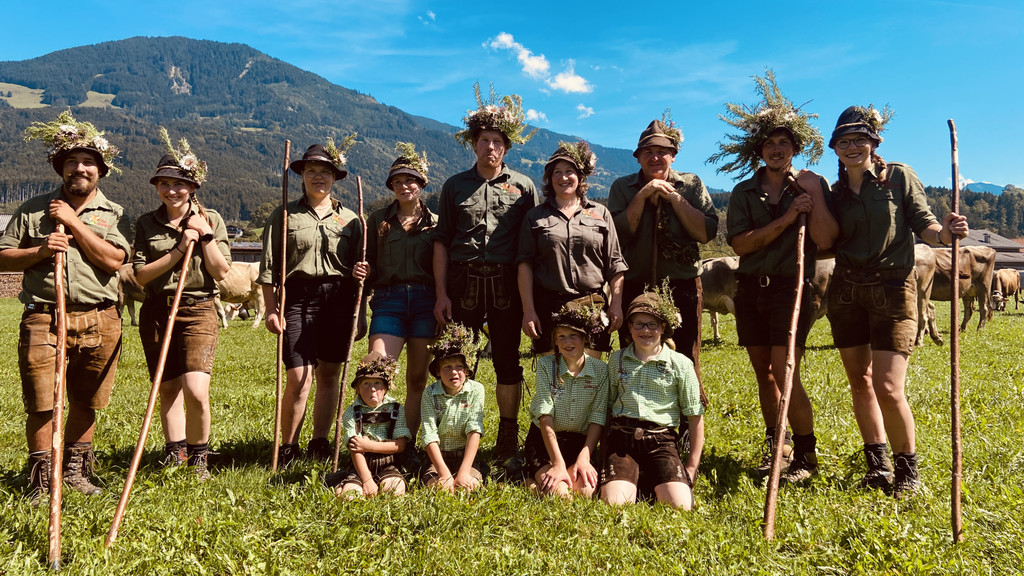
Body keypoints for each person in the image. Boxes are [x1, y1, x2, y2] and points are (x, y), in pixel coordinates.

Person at [825, 105, 968, 497]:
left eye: (859, 139)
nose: (852, 147)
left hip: (892, 288)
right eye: (843, 141)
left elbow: (924, 224)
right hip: (846, 291)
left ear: (874, 142)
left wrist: (946, 234)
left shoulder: (899, 176)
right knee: (860, 381)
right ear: (834, 148)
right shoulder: (835, 193)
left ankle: (908, 472)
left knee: (888, 386)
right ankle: (877, 465)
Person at [712, 71, 838, 483]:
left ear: (795, 148)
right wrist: (786, 219)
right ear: (759, 150)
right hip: (750, 289)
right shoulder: (744, 192)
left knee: (786, 371)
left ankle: (805, 454)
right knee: (763, 373)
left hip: (791, 288)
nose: (777, 149)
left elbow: (826, 239)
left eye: (784, 143)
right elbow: (740, 245)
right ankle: (777, 446)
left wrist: (811, 198)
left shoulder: (810, 185)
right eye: (770, 143)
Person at [1, 110, 130, 498]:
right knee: (42, 401)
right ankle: (41, 479)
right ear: (61, 168)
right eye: (72, 161)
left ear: (101, 170)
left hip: (99, 318)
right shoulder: (32, 210)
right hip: (44, 317)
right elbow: (3, 257)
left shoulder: (115, 214)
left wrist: (73, 223)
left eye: (88, 162)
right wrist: (40, 251)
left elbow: (114, 260)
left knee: (87, 399)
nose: (80, 168)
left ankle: (74, 471)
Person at [432, 84, 539, 465]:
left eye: (497, 141)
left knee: (508, 360)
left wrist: (531, 301)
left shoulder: (524, 187)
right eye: (484, 141)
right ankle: (458, 437)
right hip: (462, 282)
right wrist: (441, 293)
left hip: (506, 282)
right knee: (461, 358)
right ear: (473, 145)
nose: (490, 147)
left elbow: (532, 244)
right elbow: (442, 242)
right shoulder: (454, 186)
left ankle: (507, 437)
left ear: (506, 148)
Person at [258, 137, 368, 466]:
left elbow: (362, 273)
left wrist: (361, 313)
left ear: (335, 177)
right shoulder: (284, 215)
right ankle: (288, 445)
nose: (318, 177)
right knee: (298, 375)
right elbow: (268, 268)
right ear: (302, 175)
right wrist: (271, 310)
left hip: (339, 298)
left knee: (330, 374)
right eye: (311, 171)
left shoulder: (351, 220)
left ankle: (320, 440)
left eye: (325, 171)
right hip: (298, 297)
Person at [132, 131, 231, 479]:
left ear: (192, 186)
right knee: (168, 387)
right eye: (164, 183)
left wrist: (204, 236)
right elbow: (141, 276)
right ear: (156, 186)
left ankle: (199, 455)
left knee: (196, 391)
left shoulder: (211, 218)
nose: (171, 190)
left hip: (198, 308)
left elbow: (221, 271)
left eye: (179, 184)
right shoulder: (146, 223)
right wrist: (178, 249)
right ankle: (175, 453)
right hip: (157, 309)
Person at [607, 115, 718, 381]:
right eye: (648, 152)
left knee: (685, 355)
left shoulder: (691, 184)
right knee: (634, 353)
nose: (655, 158)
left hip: (682, 284)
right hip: (635, 284)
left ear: (673, 156)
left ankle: (688, 406)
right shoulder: (622, 187)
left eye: (661, 152)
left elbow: (706, 232)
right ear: (638, 158)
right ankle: (634, 405)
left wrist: (673, 197)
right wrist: (643, 194)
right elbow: (617, 234)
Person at [518, 140, 626, 357]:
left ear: (580, 176)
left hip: (592, 306)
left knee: (591, 373)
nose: (563, 177)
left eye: (569, 171)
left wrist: (616, 304)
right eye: (557, 172)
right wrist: (528, 310)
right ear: (549, 178)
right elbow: (524, 265)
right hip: (548, 307)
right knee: (552, 375)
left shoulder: (600, 214)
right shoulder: (535, 216)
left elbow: (615, 263)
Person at [600, 288, 705, 510]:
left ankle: (649, 478)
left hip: (661, 441)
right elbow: (606, 408)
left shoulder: (681, 364)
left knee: (681, 506)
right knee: (613, 504)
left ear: (663, 327)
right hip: (623, 440)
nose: (645, 330)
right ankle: (634, 477)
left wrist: (692, 466)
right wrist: (603, 454)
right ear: (629, 327)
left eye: (652, 324)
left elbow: (695, 416)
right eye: (638, 324)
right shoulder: (617, 360)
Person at [361, 143, 437, 441]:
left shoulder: (436, 224)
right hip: (388, 301)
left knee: (417, 379)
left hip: (425, 303)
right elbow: (368, 261)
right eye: (397, 181)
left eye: (410, 180)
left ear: (422, 183)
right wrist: (364, 271)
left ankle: (406, 443)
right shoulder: (378, 220)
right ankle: (374, 441)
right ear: (391, 186)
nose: (404, 186)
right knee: (376, 369)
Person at [525, 302, 609, 498]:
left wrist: (584, 457)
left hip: (580, 443)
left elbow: (598, 416)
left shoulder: (601, 370)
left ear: (585, 339)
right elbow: (545, 416)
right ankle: (529, 481)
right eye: (561, 336)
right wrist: (557, 463)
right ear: (555, 341)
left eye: (573, 335)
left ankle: (546, 481)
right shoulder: (546, 365)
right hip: (545, 442)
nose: (567, 341)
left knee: (585, 492)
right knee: (561, 494)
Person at [330, 352, 412, 498]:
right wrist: (367, 480)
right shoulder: (352, 412)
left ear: (386, 387)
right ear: (358, 389)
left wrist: (369, 446)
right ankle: (345, 484)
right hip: (360, 465)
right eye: (366, 383)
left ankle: (379, 484)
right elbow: (356, 448)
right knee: (350, 496)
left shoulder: (396, 409)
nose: (372, 388)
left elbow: (400, 445)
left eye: (377, 383)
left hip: (388, 464)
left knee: (395, 491)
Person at [420, 323, 487, 493]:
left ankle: (465, 474)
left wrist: (464, 472)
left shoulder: (476, 390)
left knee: (467, 487)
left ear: (468, 370)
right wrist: (443, 474)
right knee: (440, 489)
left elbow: (474, 430)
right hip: (437, 457)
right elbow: (429, 434)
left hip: (466, 456)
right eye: (447, 367)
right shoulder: (429, 393)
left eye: (459, 367)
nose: (454, 372)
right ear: (437, 371)